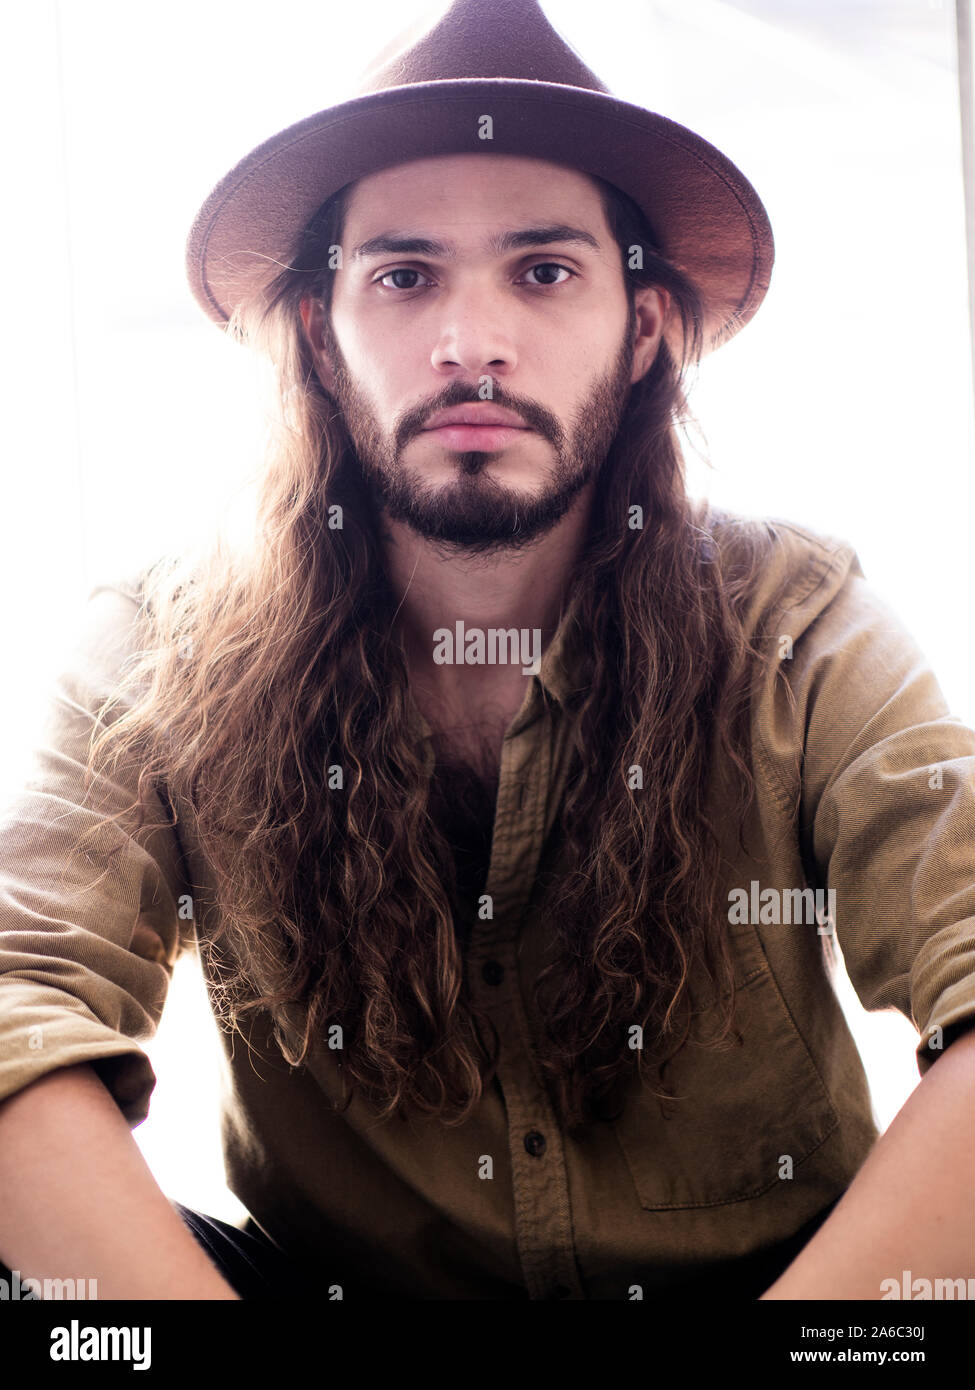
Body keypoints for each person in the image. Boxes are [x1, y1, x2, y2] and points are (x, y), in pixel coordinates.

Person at [2, 0, 975, 1303]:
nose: (471, 344)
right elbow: (19, 1000)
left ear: (642, 328)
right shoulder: (155, 647)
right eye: (403, 276)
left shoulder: (796, 623)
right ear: (316, 329)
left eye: (544, 269)